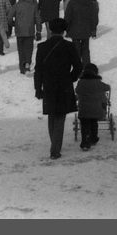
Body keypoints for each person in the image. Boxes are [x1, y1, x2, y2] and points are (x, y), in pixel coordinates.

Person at [33, 18, 83, 160]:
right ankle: (55, 149)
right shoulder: (69, 46)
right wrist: (71, 78)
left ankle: (54, 145)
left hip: (48, 84)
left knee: (51, 115)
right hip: (64, 84)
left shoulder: (42, 47)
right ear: (64, 31)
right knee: (60, 115)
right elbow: (78, 67)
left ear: (50, 30)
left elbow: (38, 70)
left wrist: (38, 88)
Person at [75, 63, 110, 151]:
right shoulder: (98, 83)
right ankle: (93, 138)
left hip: (84, 110)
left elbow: (77, 91)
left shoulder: (81, 83)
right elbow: (107, 87)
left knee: (84, 125)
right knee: (94, 123)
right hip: (96, 110)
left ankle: (85, 142)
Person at [9, 0, 41, 74]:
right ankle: (27, 63)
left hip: (19, 30)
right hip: (30, 30)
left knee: (21, 49)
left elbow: (9, 18)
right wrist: (38, 30)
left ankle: (22, 66)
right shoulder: (32, 6)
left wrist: (13, 24)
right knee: (29, 48)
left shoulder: (16, 6)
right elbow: (38, 19)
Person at [64, 0, 99, 66]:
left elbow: (67, 17)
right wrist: (93, 29)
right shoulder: (90, 2)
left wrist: (67, 29)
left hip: (74, 31)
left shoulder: (72, 3)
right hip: (86, 30)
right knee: (86, 49)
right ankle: (87, 67)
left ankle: (77, 67)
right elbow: (94, 17)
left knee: (76, 50)